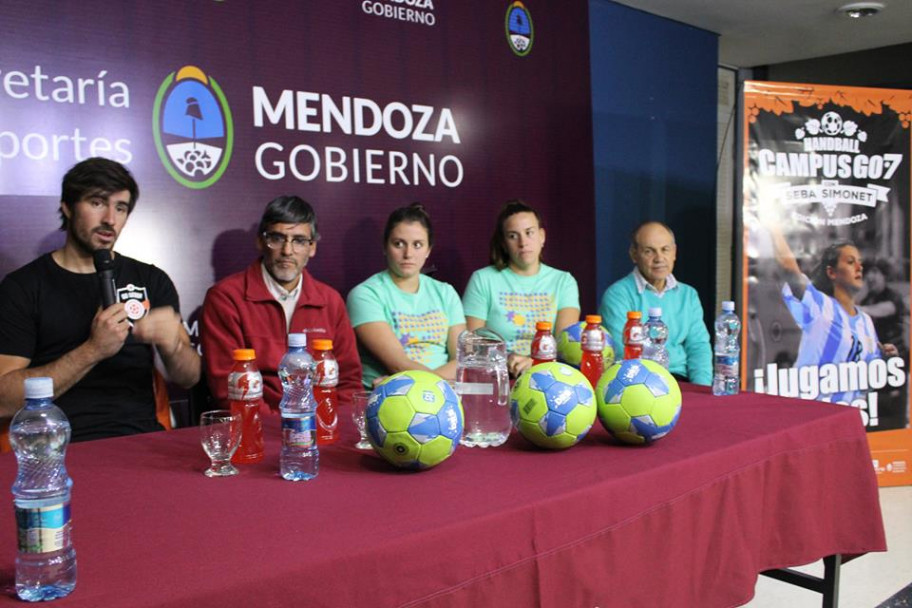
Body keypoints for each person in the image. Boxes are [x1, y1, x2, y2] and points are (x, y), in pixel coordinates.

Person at [0, 157, 200, 441]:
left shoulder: (151, 279)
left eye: (121, 208)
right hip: (56, 449)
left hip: (141, 442)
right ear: (67, 207)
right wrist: (93, 350)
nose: (110, 219)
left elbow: (189, 377)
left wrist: (174, 346)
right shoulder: (24, 287)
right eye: (97, 203)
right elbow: (2, 399)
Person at [200, 195, 362, 409]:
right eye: (277, 238)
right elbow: (229, 388)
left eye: (299, 240)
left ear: (312, 247)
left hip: (322, 430)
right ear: (260, 241)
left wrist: (329, 427)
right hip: (258, 431)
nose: (287, 251)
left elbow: (348, 382)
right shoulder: (225, 298)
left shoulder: (330, 301)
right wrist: (282, 433)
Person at [769, 226, 897, 403]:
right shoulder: (820, 305)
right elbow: (788, 268)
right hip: (811, 418)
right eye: (851, 262)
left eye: (860, 262)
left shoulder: (866, 321)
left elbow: (870, 375)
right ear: (831, 272)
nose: (860, 268)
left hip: (847, 421)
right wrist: (773, 222)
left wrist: (885, 359)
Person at [346, 203, 465, 388]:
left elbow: (462, 360)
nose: (408, 254)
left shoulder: (445, 292)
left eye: (417, 245)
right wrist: (440, 385)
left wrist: (429, 387)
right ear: (385, 247)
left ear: (428, 250)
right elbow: (398, 364)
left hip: (441, 394)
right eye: (399, 244)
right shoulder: (365, 295)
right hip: (391, 396)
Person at [462, 200, 579, 378]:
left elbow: (565, 346)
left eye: (529, 233)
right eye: (513, 236)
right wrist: (506, 359)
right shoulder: (483, 279)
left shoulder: (564, 281)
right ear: (503, 243)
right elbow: (471, 344)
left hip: (548, 376)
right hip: (496, 375)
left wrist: (535, 362)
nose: (523, 242)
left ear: (542, 236)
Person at [599, 221, 711, 385]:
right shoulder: (618, 295)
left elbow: (698, 347)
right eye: (649, 251)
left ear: (674, 252)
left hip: (680, 380)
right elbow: (622, 353)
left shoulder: (688, 295)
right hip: (638, 383)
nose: (659, 258)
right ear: (634, 254)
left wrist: (702, 389)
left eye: (665, 249)